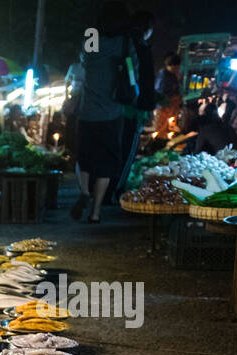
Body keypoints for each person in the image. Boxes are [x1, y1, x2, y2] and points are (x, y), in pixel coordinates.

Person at [70, 1, 136, 223]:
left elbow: (84, 62)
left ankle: (84, 192)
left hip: (87, 112)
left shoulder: (91, 37)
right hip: (112, 113)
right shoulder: (126, 43)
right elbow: (132, 73)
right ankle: (96, 212)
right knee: (106, 164)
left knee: (84, 158)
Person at [116, 11, 157, 194]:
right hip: (134, 107)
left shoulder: (122, 44)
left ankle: (104, 189)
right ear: (147, 29)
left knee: (116, 148)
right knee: (127, 152)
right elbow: (145, 81)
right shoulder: (141, 48)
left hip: (117, 106)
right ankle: (116, 190)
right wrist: (149, 107)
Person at [154, 53, 182, 134]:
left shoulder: (172, 75)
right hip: (165, 107)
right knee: (162, 126)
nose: (178, 69)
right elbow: (158, 91)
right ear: (172, 66)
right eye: (177, 67)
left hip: (171, 106)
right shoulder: (163, 75)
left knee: (169, 125)